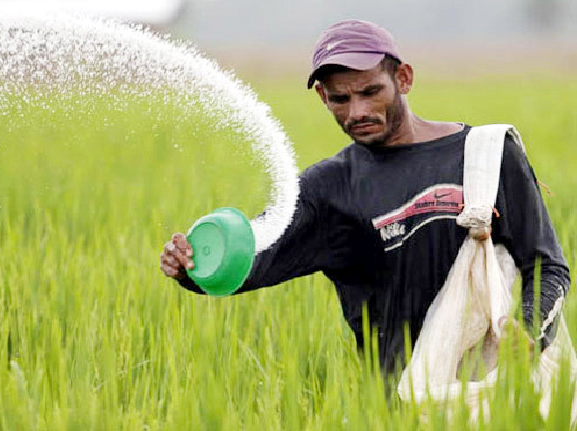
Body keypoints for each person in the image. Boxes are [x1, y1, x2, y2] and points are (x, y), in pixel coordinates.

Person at [159, 19, 571, 373]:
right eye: (340, 99)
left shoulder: (487, 153)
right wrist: (191, 267)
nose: (356, 111)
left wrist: (529, 330)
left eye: (370, 91)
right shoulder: (329, 190)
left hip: (496, 389)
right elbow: (254, 259)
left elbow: (546, 264)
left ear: (404, 79)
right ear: (323, 97)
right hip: (402, 405)